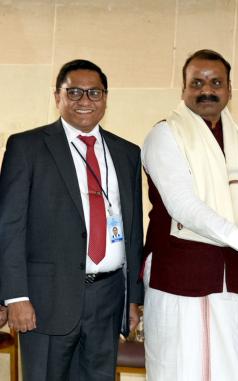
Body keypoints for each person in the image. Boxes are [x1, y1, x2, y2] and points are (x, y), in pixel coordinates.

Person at [0, 59, 144, 381]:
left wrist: (132, 300)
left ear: (105, 98)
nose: (84, 100)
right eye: (74, 92)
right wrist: (15, 297)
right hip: (45, 300)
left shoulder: (127, 153)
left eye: (94, 92)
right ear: (57, 96)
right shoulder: (27, 147)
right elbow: (9, 227)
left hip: (107, 300)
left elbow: (134, 232)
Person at [141, 49, 238, 380]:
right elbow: (182, 205)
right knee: (183, 369)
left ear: (229, 89)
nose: (207, 90)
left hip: (233, 276)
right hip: (182, 275)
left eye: (216, 82)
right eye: (197, 83)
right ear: (183, 89)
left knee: (229, 368)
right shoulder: (166, 134)